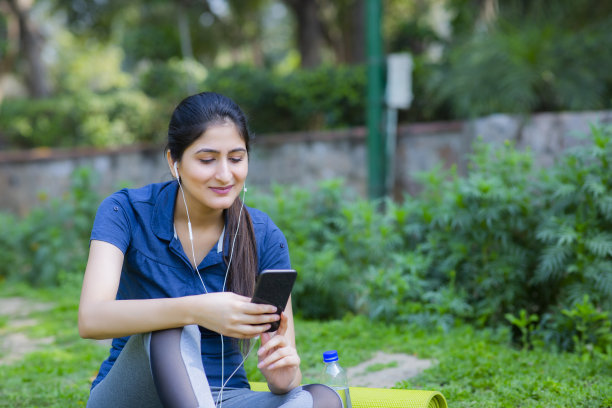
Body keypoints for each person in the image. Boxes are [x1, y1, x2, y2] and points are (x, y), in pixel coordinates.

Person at [79, 92, 342, 408]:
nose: (224, 174)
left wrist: (284, 373)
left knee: (323, 399)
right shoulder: (125, 212)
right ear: (173, 162)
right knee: (168, 331)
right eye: (207, 159)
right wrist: (198, 309)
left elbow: (284, 369)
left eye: (236, 158)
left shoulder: (264, 235)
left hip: (224, 397)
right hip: (137, 397)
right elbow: (91, 318)